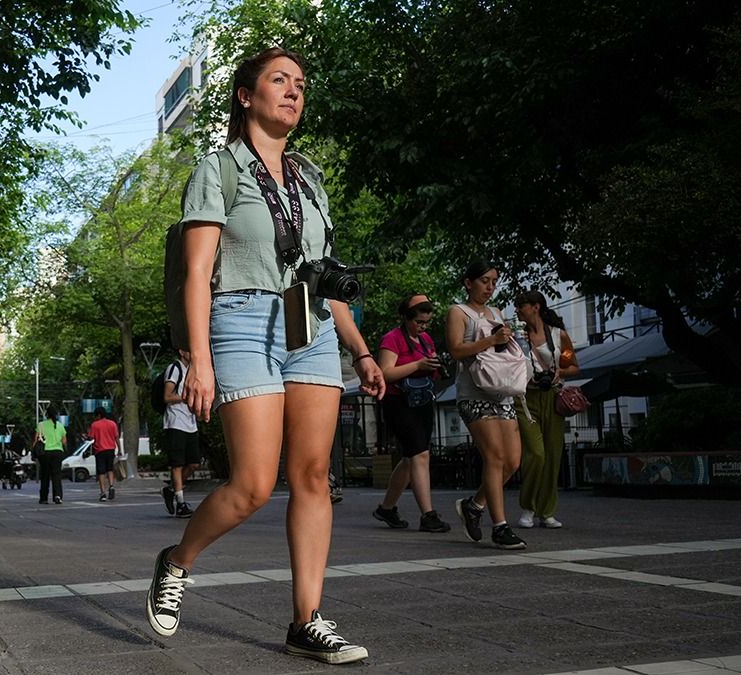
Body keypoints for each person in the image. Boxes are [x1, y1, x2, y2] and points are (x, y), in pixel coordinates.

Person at [145, 48, 385, 665]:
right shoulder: (218, 169)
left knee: (312, 478)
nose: (293, 92)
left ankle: (307, 619)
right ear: (246, 96)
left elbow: (322, 279)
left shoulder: (309, 178)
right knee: (252, 483)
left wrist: (360, 351)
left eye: (301, 84)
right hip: (241, 319)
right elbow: (198, 274)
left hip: (310, 326)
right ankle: (177, 561)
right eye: (279, 81)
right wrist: (199, 359)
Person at [446, 260, 527, 550]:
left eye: (493, 281)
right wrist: (491, 339)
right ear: (468, 282)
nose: (490, 287)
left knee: (513, 461)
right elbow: (456, 350)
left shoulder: (496, 313)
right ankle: (500, 527)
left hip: (501, 391)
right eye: (484, 280)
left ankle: (474, 504)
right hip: (473, 393)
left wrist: (505, 340)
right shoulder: (458, 312)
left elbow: (500, 351)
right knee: (494, 457)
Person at [372, 295, 451, 533]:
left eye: (426, 322)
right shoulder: (393, 338)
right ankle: (428, 515)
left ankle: (386, 508)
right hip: (399, 402)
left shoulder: (425, 340)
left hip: (422, 401)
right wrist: (418, 366)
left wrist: (434, 367)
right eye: (418, 321)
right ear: (406, 318)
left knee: (410, 459)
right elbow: (384, 373)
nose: (423, 326)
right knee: (419, 456)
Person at [514, 290, 581, 529]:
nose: (518, 310)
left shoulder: (558, 335)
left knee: (552, 455)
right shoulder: (516, 337)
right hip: (525, 398)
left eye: (522, 305)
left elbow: (573, 366)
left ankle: (547, 511)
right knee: (536, 453)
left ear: (536, 307)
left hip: (552, 398)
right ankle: (528, 507)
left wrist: (559, 373)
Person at [160, 350, 199, 518]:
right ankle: (180, 503)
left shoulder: (193, 370)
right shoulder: (174, 368)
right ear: (182, 352)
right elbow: (167, 396)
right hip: (175, 422)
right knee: (177, 464)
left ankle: (170, 489)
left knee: (194, 463)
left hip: (191, 422)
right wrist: (186, 397)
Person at [34, 406, 67, 504]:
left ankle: (44, 498)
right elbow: (64, 440)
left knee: (45, 475)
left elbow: (36, 440)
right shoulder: (60, 425)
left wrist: (34, 452)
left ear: (46, 414)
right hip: (57, 452)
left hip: (44, 453)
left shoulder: (40, 425)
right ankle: (57, 495)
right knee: (56, 475)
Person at [87, 406, 121, 502]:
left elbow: (91, 438)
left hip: (100, 450)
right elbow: (116, 438)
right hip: (111, 449)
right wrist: (120, 449)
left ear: (98, 415)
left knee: (101, 472)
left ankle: (103, 493)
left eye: (95, 415)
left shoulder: (95, 425)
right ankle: (111, 486)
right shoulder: (112, 424)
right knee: (110, 469)